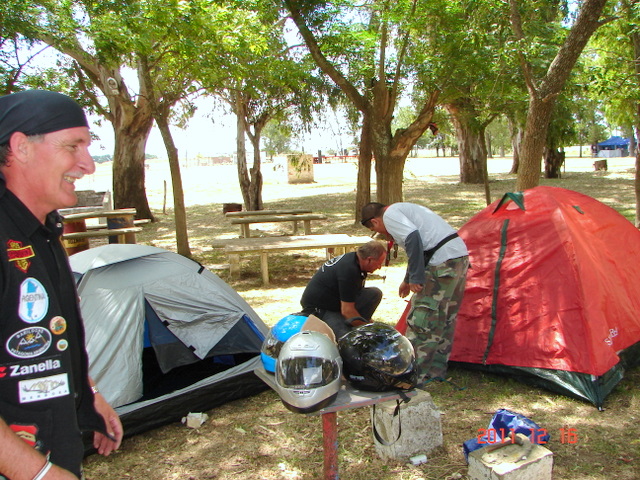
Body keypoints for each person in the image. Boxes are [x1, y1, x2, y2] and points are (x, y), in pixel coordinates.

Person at [0, 90, 123, 480]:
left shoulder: (43, 230)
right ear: (20, 147)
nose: (87, 165)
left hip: (54, 445)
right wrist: (36, 474)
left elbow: (48, 333)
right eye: (74, 146)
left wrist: (90, 395)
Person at [360, 202, 469, 382]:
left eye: (376, 228)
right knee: (444, 317)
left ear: (375, 221)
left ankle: (411, 375)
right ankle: (435, 372)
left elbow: (412, 239)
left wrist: (416, 277)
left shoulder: (390, 215)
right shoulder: (403, 210)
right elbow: (418, 248)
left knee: (423, 318)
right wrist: (407, 279)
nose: (383, 233)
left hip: (441, 263)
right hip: (457, 257)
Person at [300, 240, 387, 339]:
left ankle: (356, 324)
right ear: (369, 260)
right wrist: (367, 329)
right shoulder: (349, 270)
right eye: (379, 263)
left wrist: (367, 322)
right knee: (346, 338)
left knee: (374, 294)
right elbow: (347, 311)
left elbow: (352, 296)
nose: (379, 267)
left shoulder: (356, 262)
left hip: (336, 301)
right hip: (319, 308)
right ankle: (354, 330)